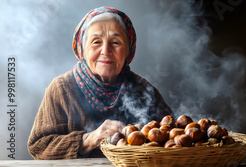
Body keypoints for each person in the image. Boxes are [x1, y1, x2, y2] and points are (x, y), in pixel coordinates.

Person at [27, 6, 173, 159]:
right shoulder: (61, 88)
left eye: (115, 42)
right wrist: (89, 139)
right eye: (96, 42)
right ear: (82, 49)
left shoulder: (143, 89)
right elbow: (39, 146)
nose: (105, 51)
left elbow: (174, 136)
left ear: (129, 51)